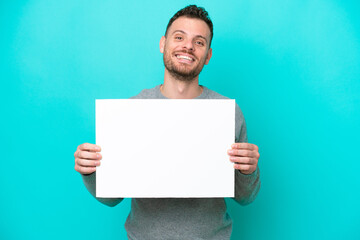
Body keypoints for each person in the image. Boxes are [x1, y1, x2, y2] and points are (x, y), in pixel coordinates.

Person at [74, 5, 260, 239]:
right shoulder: (132, 110)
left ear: (208, 56)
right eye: (179, 37)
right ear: (163, 44)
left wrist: (248, 170)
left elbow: (245, 197)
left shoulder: (228, 112)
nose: (188, 46)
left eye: (199, 42)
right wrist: (90, 171)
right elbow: (111, 198)